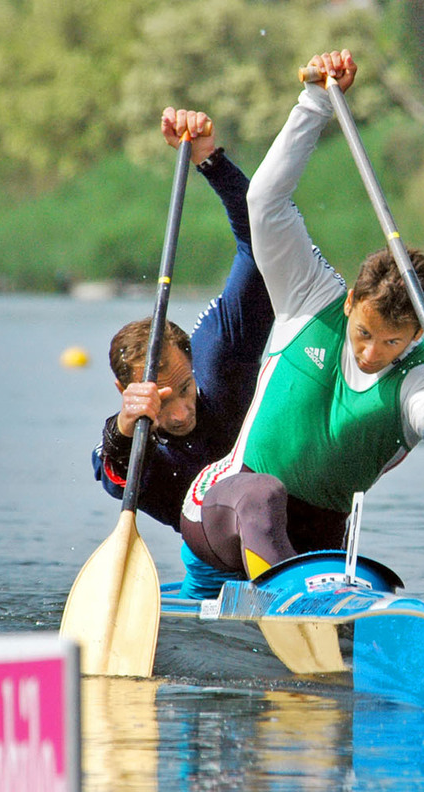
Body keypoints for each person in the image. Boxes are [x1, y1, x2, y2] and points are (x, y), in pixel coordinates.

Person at [176, 49, 424, 599]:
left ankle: (311, 613)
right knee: (264, 497)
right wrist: (315, 99)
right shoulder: (310, 295)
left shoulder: (416, 377)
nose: (371, 352)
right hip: (224, 513)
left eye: (392, 342)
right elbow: (265, 203)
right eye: (365, 332)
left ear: (414, 338)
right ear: (351, 302)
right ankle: (297, 610)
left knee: (378, 580)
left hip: (309, 547)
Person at [92, 108, 274, 531]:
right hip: (209, 557)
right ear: (125, 390)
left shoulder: (219, 350)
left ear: (192, 362)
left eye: (185, 389)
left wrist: (210, 161)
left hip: (285, 519)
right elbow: (114, 475)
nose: (177, 415)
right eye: (161, 399)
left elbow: (259, 241)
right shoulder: (130, 441)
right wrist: (122, 430)